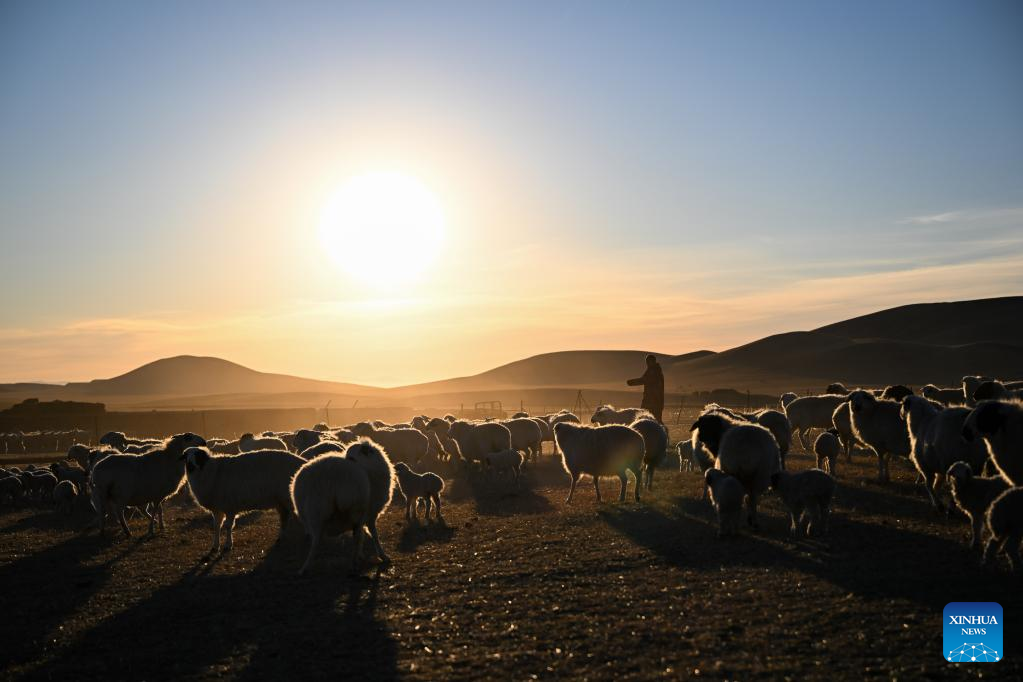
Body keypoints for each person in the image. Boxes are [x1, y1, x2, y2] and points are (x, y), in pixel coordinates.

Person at [627, 354, 664, 423]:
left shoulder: (654, 371)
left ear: (652, 361)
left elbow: (646, 380)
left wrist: (632, 382)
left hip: (653, 401)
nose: (647, 363)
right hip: (653, 400)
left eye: (648, 362)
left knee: (648, 419)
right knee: (651, 419)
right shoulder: (654, 370)